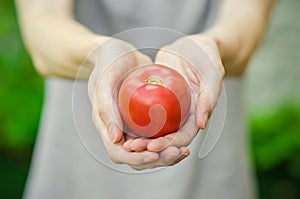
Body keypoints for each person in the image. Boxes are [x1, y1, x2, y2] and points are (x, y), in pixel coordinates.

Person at [16, 0, 274, 198]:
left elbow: (245, 27)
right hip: (76, 166)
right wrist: (97, 52)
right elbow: (43, 31)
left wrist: (213, 45)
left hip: (212, 169)